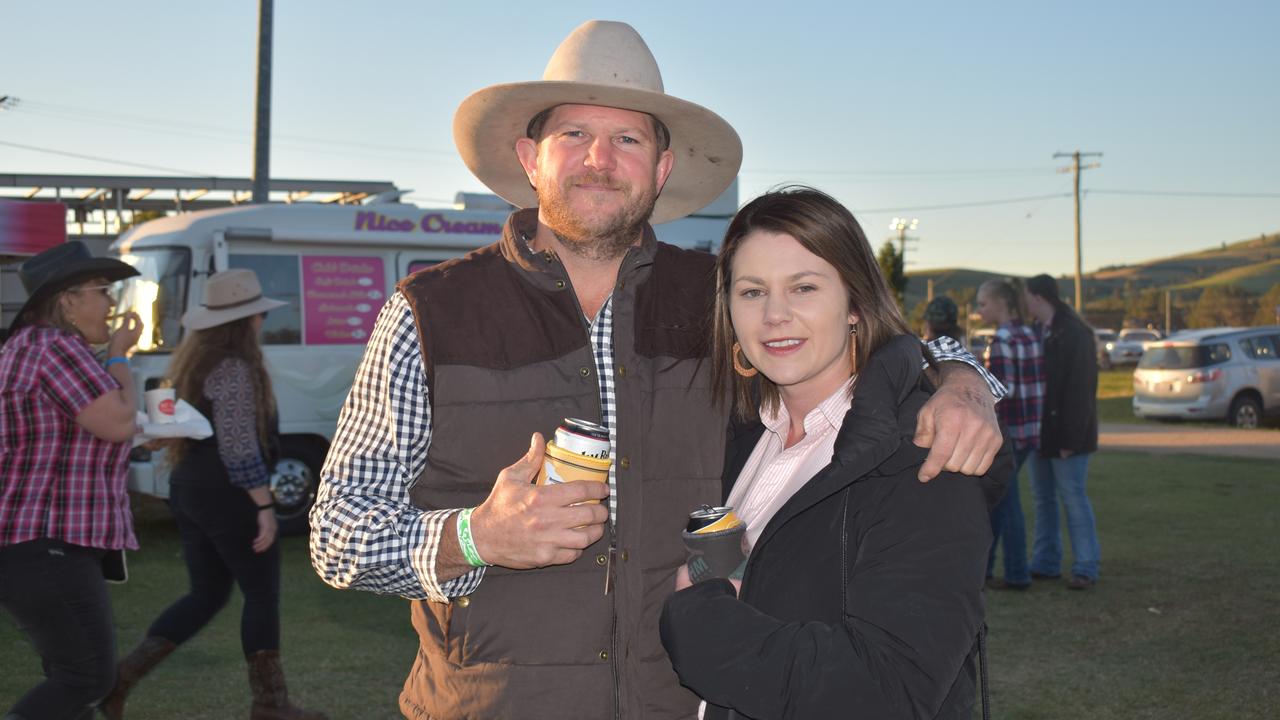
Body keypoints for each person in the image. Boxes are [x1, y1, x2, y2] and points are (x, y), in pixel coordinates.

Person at [309, 20, 1005, 720]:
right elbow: (337, 535)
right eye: (574, 135)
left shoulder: (720, 298)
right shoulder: (429, 313)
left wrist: (961, 381)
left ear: (662, 168)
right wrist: (475, 537)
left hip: (686, 700)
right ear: (530, 157)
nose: (599, 159)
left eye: (629, 139)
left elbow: (855, 336)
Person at [658, 187, 1008, 720]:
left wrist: (701, 621)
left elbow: (887, 690)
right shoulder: (742, 434)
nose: (775, 315)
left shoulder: (923, 458)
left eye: (803, 288)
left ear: (855, 305)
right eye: (752, 292)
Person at [100, 269, 327, 720]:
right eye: (259, 314)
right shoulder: (235, 369)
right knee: (260, 594)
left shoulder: (193, 362)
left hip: (190, 487)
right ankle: (270, 704)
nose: (262, 321)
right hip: (227, 495)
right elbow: (239, 445)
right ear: (246, 322)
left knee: (207, 594)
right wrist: (264, 505)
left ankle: (120, 679)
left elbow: (179, 427)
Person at [0, 241, 142, 720]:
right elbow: (119, 422)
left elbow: (75, 436)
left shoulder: (29, 346)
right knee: (87, 676)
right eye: (102, 290)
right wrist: (121, 356)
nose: (110, 302)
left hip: (32, 541)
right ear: (67, 300)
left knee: (68, 674)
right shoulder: (58, 348)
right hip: (46, 542)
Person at [1023, 274, 1100, 590]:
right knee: (1043, 499)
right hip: (1041, 432)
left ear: (1039, 298)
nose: (1024, 303)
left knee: (1073, 497)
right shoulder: (1038, 331)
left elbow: (1081, 390)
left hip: (1067, 436)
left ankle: (1085, 565)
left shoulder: (1074, 333)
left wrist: (1070, 439)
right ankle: (1046, 562)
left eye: (1027, 297)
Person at [976, 277, 1045, 590]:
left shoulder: (1003, 339)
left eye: (982, 304)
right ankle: (988, 569)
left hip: (1011, 432)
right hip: (1032, 428)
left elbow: (1002, 391)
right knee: (1004, 503)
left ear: (999, 304)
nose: (979, 311)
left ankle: (1016, 573)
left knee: (1007, 505)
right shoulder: (1030, 334)